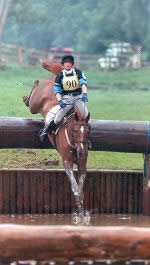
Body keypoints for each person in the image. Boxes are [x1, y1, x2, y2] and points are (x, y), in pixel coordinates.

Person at [40, 54, 89, 142]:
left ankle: (85, 139)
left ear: (72, 64)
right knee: (58, 118)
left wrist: (85, 93)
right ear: (63, 64)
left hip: (78, 98)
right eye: (66, 63)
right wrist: (60, 100)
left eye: (69, 62)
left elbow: (83, 84)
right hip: (67, 99)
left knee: (85, 116)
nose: (68, 64)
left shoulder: (78, 72)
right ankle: (46, 131)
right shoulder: (60, 75)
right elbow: (57, 90)